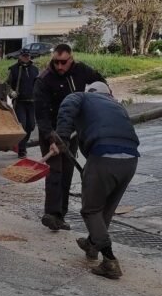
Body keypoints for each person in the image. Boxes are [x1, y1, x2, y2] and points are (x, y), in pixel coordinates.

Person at [50, 81, 139, 280]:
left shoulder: (82, 97)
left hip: (103, 156)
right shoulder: (117, 106)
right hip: (131, 160)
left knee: (91, 210)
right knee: (106, 209)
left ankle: (109, 260)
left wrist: (62, 137)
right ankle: (92, 245)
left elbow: (66, 105)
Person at [33, 43, 106, 231]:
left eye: (63, 62)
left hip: (73, 131)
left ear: (71, 59)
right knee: (55, 171)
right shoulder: (44, 80)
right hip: (52, 130)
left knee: (66, 173)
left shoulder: (81, 71)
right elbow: (41, 114)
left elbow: (101, 84)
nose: (59, 67)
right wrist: (52, 138)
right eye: (56, 62)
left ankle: (61, 216)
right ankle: (51, 214)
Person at [7, 49, 38, 157]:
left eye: (28, 56)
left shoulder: (35, 70)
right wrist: (12, 92)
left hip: (32, 102)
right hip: (20, 102)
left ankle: (21, 145)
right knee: (23, 125)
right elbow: (7, 85)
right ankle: (22, 150)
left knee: (31, 126)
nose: (26, 58)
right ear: (20, 56)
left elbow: (39, 85)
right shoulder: (14, 69)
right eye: (24, 56)